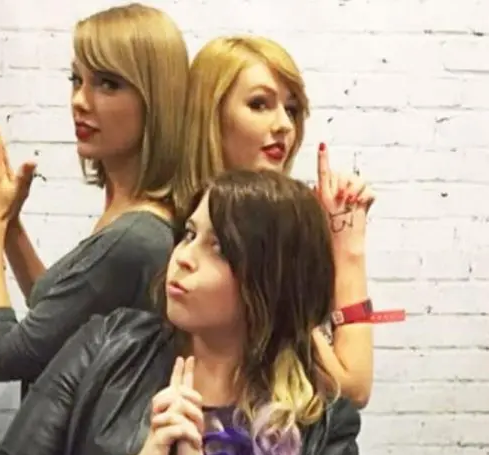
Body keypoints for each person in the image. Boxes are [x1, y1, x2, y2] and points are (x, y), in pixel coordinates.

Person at [0, 169, 360, 455]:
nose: (183, 257)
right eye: (190, 234)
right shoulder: (107, 345)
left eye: (218, 248)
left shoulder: (325, 425)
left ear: (273, 280)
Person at [0, 3, 189, 396]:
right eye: (76, 79)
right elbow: (55, 305)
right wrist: (11, 225)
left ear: (156, 99)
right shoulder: (127, 215)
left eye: (108, 83)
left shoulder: (135, 237)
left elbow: (3, 356)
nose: (80, 100)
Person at [173, 36, 404, 408]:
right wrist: (347, 252)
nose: (283, 124)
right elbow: (351, 387)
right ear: (211, 115)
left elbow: (350, 390)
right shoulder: (170, 241)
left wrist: (345, 244)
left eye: (292, 109)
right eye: (259, 104)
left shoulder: (275, 233)